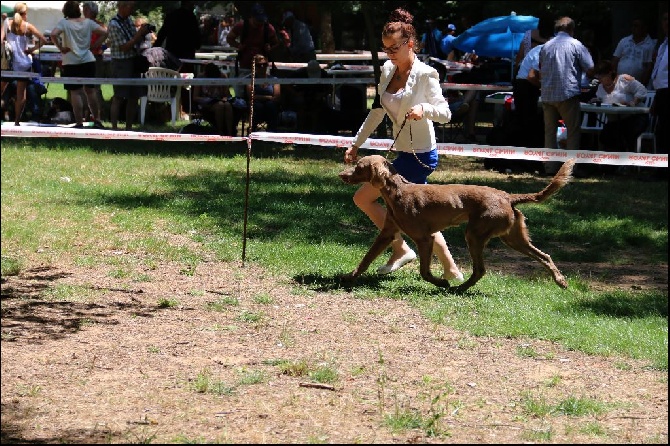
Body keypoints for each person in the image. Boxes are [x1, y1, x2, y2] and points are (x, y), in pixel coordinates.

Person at [343, 8, 463, 282]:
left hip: (420, 155)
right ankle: (406, 251)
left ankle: (437, 263)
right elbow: (377, 111)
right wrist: (356, 144)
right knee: (379, 203)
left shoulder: (425, 74)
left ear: (410, 44)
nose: (389, 54)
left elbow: (445, 113)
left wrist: (423, 108)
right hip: (402, 153)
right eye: (386, 49)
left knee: (394, 208)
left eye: (394, 48)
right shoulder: (387, 71)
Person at [539, 16, 594, 175]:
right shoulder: (576, 45)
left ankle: (550, 167)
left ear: (557, 29)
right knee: (573, 131)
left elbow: (541, 67)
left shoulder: (546, 45)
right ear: (571, 29)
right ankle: (570, 169)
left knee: (549, 132)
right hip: (567, 93)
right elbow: (590, 68)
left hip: (548, 94)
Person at [50, 0, 107, 129]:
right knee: (91, 91)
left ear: (65, 11)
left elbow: (53, 34)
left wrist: (61, 47)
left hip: (71, 61)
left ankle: (79, 122)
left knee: (75, 93)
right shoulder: (88, 22)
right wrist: (95, 45)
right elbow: (105, 33)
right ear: (78, 10)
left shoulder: (64, 23)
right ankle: (97, 119)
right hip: (88, 60)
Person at [107, 0, 153, 131]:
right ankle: (114, 128)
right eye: (130, 6)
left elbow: (135, 41)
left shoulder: (128, 21)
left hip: (133, 61)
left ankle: (129, 127)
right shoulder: (114, 24)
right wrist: (138, 34)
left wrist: (143, 33)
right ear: (122, 6)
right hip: (121, 63)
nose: (132, 9)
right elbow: (124, 47)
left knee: (134, 96)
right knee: (119, 97)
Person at [0, 1, 47, 126]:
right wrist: (31, 50)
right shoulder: (28, 26)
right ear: (25, 13)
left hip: (9, 63)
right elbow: (44, 40)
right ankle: (17, 121)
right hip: (24, 63)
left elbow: (1, 39)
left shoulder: (6, 24)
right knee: (21, 94)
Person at [592, 60, 649, 154]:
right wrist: (596, 101)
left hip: (635, 117)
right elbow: (601, 100)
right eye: (598, 77)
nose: (600, 79)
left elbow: (642, 90)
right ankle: (609, 164)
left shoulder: (624, 80)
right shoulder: (600, 87)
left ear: (609, 73)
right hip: (615, 121)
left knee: (623, 134)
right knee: (606, 135)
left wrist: (633, 102)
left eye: (601, 76)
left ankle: (627, 163)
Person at [226, 2, 279, 96]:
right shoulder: (242, 26)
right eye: (258, 20)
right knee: (241, 94)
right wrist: (238, 45)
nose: (260, 23)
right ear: (252, 17)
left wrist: (270, 48)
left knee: (263, 93)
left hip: (262, 67)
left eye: (262, 20)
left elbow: (276, 43)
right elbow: (229, 38)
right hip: (244, 66)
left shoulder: (268, 28)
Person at [153, 0, 200, 74]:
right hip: (187, 55)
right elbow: (197, 37)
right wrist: (197, 45)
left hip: (172, 54)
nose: (193, 5)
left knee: (171, 79)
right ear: (188, 3)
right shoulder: (192, 18)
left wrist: (154, 47)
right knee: (187, 80)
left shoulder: (171, 15)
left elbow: (162, 34)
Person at [192, 62, 234, 136]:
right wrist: (207, 99)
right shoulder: (200, 77)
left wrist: (225, 98)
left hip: (219, 100)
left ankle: (230, 133)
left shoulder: (222, 76)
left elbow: (227, 94)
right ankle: (220, 131)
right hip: (206, 103)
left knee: (227, 105)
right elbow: (195, 97)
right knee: (220, 106)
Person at [612, 18, 656, 88]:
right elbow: (615, 60)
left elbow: (648, 68)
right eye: (632, 26)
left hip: (636, 85)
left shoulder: (650, 45)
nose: (633, 28)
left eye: (636, 26)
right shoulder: (624, 41)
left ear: (644, 28)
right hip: (620, 83)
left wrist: (641, 86)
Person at [82, 1, 106, 121]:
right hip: (83, 58)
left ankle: (98, 116)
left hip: (95, 58)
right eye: (84, 9)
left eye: (86, 10)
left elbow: (106, 35)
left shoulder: (99, 25)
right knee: (84, 88)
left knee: (95, 88)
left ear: (91, 12)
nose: (83, 12)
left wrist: (95, 46)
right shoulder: (82, 24)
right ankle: (86, 115)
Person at [244, 53, 280, 132]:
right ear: (254, 66)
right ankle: (253, 131)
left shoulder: (274, 79)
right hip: (256, 104)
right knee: (257, 106)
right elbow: (251, 96)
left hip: (270, 104)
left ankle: (272, 131)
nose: (262, 67)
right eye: (259, 65)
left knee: (271, 106)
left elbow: (277, 97)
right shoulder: (249, 79)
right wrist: (268, 97)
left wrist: (260, 96)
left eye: (264, 64)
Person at [649, 10, 668, 159]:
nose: (667, 23)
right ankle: (661, 168)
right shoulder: (663, 45)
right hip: (661, 91)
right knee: (661, 130)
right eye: (665, 19)